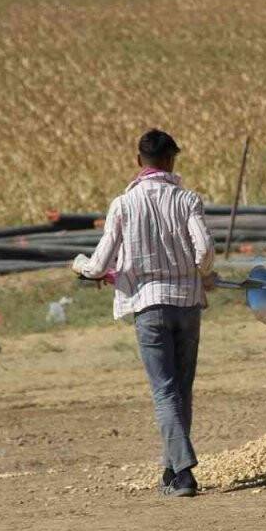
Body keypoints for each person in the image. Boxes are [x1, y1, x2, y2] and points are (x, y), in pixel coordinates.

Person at [72, 129, 215, 498]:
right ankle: (170, 471)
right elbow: (204, 249)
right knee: (182, 390)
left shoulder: (123, 205)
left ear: (139, 162)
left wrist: (84, 267)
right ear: (172, 161)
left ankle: (183, 473)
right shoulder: (187, 201)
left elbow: (101, 261)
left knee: (164, 391)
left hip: (147, 307)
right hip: (186, 304)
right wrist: (204, 275)